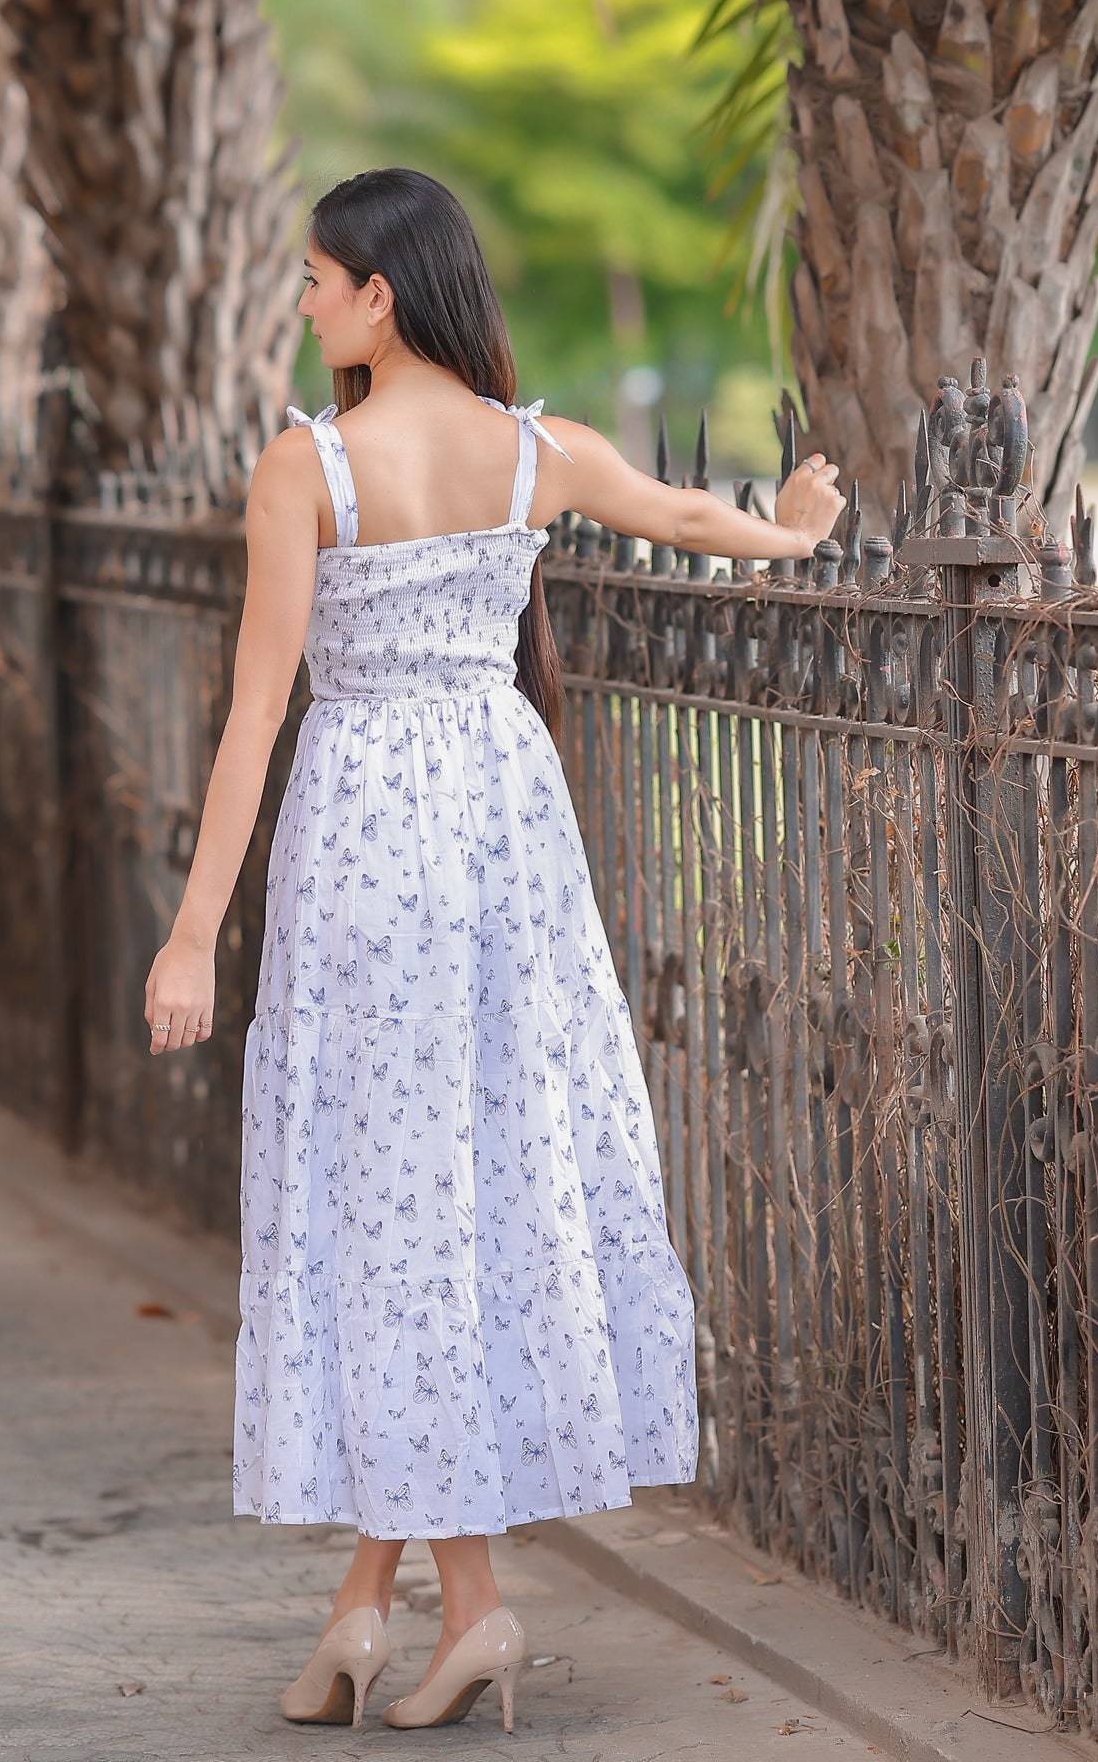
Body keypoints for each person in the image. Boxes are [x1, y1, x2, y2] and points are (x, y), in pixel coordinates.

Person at [143, 167, 845, 1732]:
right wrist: (790, 537)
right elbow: (679, 518)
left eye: (321, 277)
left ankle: (425, 1610)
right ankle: (391, 1610)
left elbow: (256, 715)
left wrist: (194, 935)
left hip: (367, 843)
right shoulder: (545, 452)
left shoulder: (306, 466)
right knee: (459, 1196)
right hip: (503, 839)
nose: (307, 299)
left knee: (391, 1206)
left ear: (381, 296)